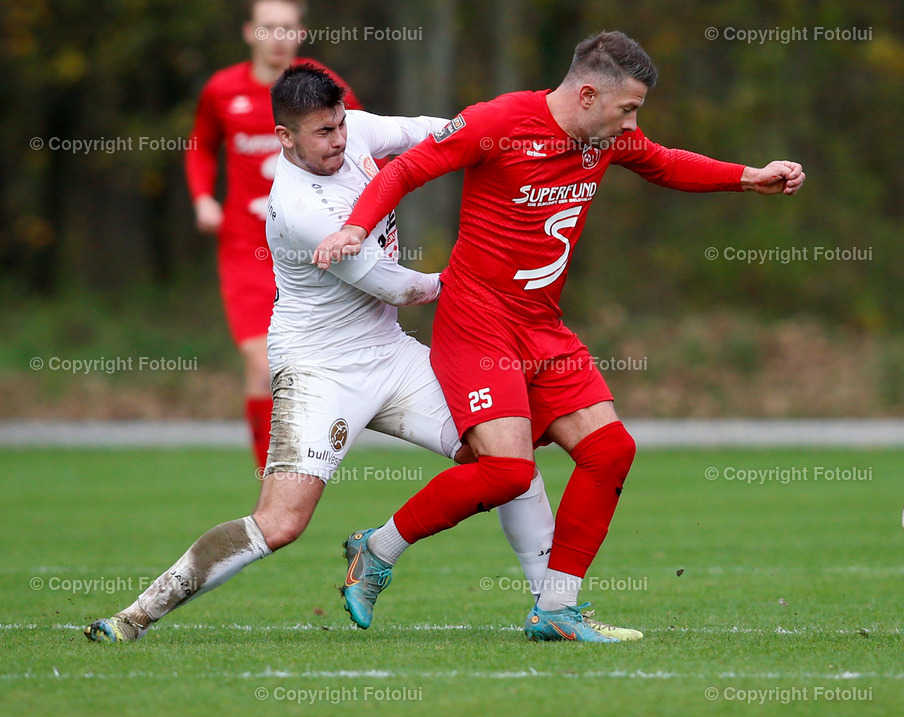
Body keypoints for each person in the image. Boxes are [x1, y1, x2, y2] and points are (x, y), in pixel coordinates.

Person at [315, 31, 806, 643]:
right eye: (628, 108)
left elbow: (666, 162)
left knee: (610, 452)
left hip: (541, 325)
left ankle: (556, 610)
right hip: (479, 321)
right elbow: (408, 169)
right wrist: (357, 229)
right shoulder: (498, 121)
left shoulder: (609, 138)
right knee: (508, 474)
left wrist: (747, 177)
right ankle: (378, 549)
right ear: (590, 93)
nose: (634, 122)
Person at [84, 64, 567, 642]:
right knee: (279, 524)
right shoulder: (302, 209)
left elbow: (425, 131)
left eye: (339, 124)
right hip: (319, 368)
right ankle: (136, 617)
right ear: (285, 137)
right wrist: (466, 280)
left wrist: (504, 139)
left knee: (505, 458)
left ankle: (554, 610)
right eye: (322, 131)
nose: (338, 138)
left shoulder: (353, 129)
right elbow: (394, 286)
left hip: (389, 352)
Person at [185, 0, 363, 469]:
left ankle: (311, 460)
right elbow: (200, 147)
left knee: (314, 366)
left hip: (313, 250)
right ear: (250, 32)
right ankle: (272, 473)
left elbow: (363, 148)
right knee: (263, 364)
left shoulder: (325, 88)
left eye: (287, 28)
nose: (278, 37)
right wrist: (204, 198)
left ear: (300, 33)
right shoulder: (223, 90)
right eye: (268, 28)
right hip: (247, 247)